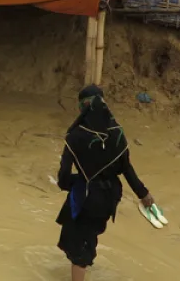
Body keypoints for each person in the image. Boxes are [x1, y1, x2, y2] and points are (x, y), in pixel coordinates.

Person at [56, 85, 155, 281]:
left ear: (83, 108)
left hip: (86, 199)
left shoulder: (75, 136)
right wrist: (143, 194)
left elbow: (63, 179)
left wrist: (77, 182)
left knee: (79, 247)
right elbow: (127, 168)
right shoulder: (117, 133)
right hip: (110, 197)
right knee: (86, 235)